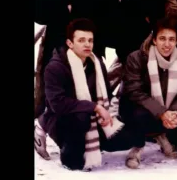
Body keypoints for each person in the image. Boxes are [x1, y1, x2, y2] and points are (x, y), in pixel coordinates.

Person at [35, 18, 135, 171]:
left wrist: (109, 113)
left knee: (127, 139)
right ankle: (46, 129)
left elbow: (107, 94)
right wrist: (95, 107)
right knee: (76, 155)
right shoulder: (55, 67)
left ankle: (92, 143)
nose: (87, 44)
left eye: (90, 40)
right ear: (70, 43)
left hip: (91, 117)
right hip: (62, 118)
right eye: (81, 40)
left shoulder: (96, 63)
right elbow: (58, 104)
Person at [34, 0, 117, 117]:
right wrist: (63, 8)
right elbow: (38, 14)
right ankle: (50, 126)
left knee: (96, 90)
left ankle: (97, 127)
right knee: (62, 94)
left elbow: (106, 4)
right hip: (61, 48)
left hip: (90, 46)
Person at [118, 17, 177, 167]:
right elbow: (134, 91)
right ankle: (137, 147)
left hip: (169, 109)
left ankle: (163, 135)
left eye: (171, 39)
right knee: (139, 115)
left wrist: (174, 113)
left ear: (176, 41)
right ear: (154, 40)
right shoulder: (137, 58)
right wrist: (161, 112)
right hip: (139, 107)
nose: (167, 44)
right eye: (162, 39)